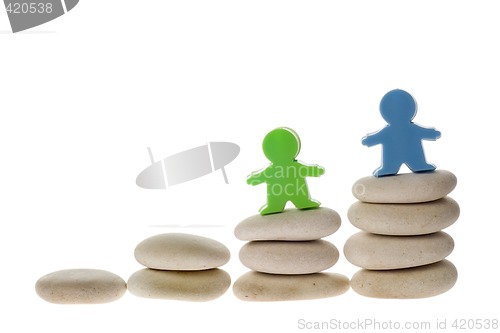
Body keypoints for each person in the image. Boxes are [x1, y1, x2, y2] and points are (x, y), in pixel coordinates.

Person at [362, 89, 441, 177]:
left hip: (412, 154)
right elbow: (378, 137)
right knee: (390, 166)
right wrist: (369, 140)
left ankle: (419, 165)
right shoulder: (388, 131)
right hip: (393, 156)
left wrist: (432, 134)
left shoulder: (411, 128)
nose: (398, 112)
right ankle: (389, 169)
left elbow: (423, 131)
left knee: (417, 163)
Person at [247, 127, 325, 215]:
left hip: (296, 191)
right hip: (278, 193)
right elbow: (263, 175)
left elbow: (306, 169)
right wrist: (254, 178)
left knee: (301, 199)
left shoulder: (294, 166)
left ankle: (304, 202)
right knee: (275, 203)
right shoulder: (272, 169)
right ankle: (274, 206)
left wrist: (315, 170)